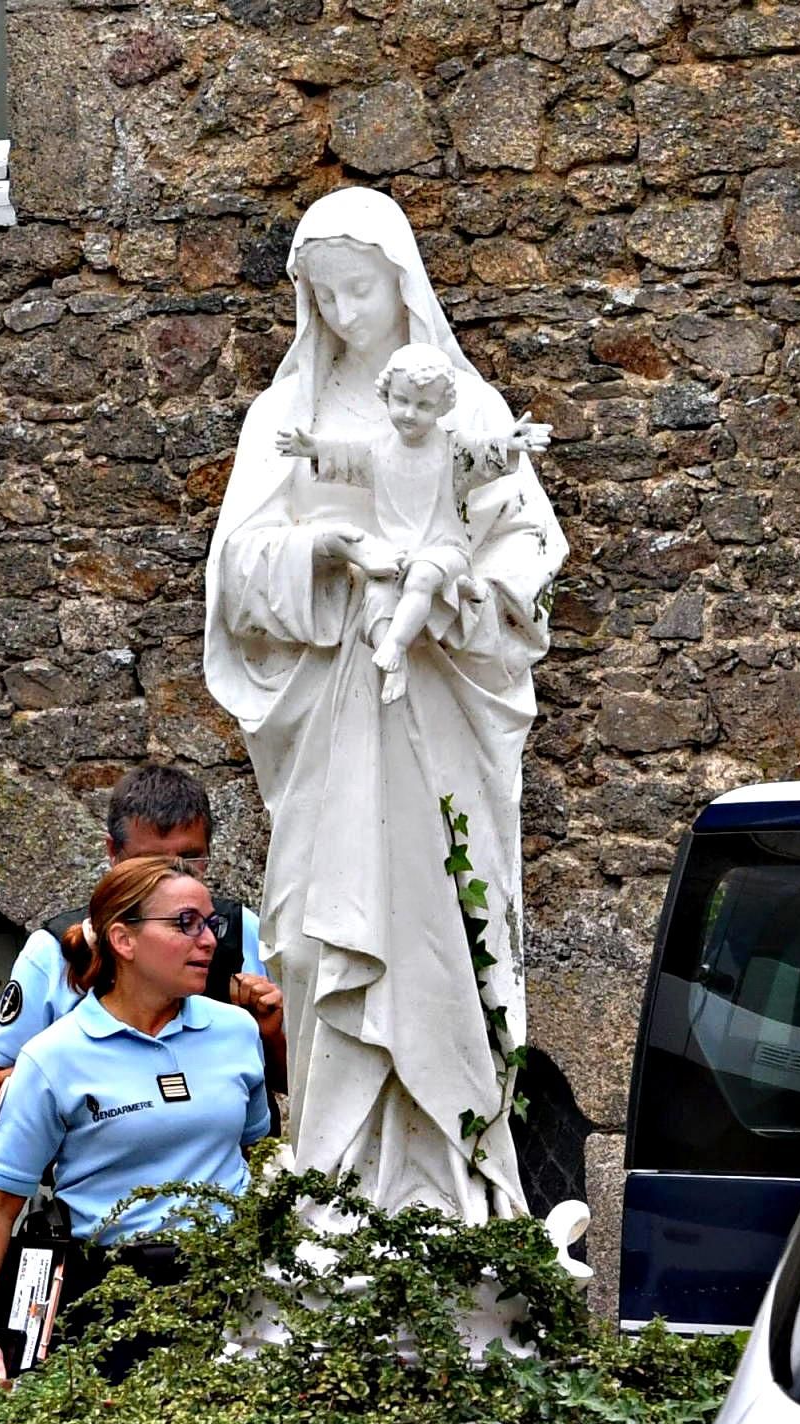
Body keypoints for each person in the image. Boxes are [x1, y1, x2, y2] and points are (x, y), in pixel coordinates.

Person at [202, 184, 567, 1223]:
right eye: (324, 295)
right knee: (320, 942)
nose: (344, 312)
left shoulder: (468, 408)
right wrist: (322, 548)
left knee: (444, 924)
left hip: (437, 714)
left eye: (358, 288)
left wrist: (470, 592)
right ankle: (337, 1193)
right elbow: (235, 575)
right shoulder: (287, 417)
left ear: (400, 283)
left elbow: (527, 542)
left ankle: (451, 1195)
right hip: (331, 712)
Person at [0, 856, 274, 1384]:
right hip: (110, 1304)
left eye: (210, 923)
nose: (208, 941)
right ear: (124, 940)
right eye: (185, 923)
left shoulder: (237, 1031)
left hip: (231, 1295)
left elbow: (256, 1151)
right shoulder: (53, 1056)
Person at [0, 762, 285, 1120]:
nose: (172, 876)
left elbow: (296, 1085)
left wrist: (268, 1036)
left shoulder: (241, 931)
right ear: (113, 852)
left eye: (190, 859)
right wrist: (91, 1068)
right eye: (150, 862)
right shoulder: (54, 950)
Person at [274, 342, 551, 691]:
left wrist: (509, 443)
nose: (409, 413)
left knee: (421, 576)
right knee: (376, 596)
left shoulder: (453, 449)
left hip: (446, 550)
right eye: (401, 401)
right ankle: (395, 667)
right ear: (386, 395)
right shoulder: (377, 450)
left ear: (443, 407)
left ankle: (396, 645)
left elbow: (484, 450)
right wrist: (313, 448)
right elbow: (345, 456)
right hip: (397, 550)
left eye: (423, 405)